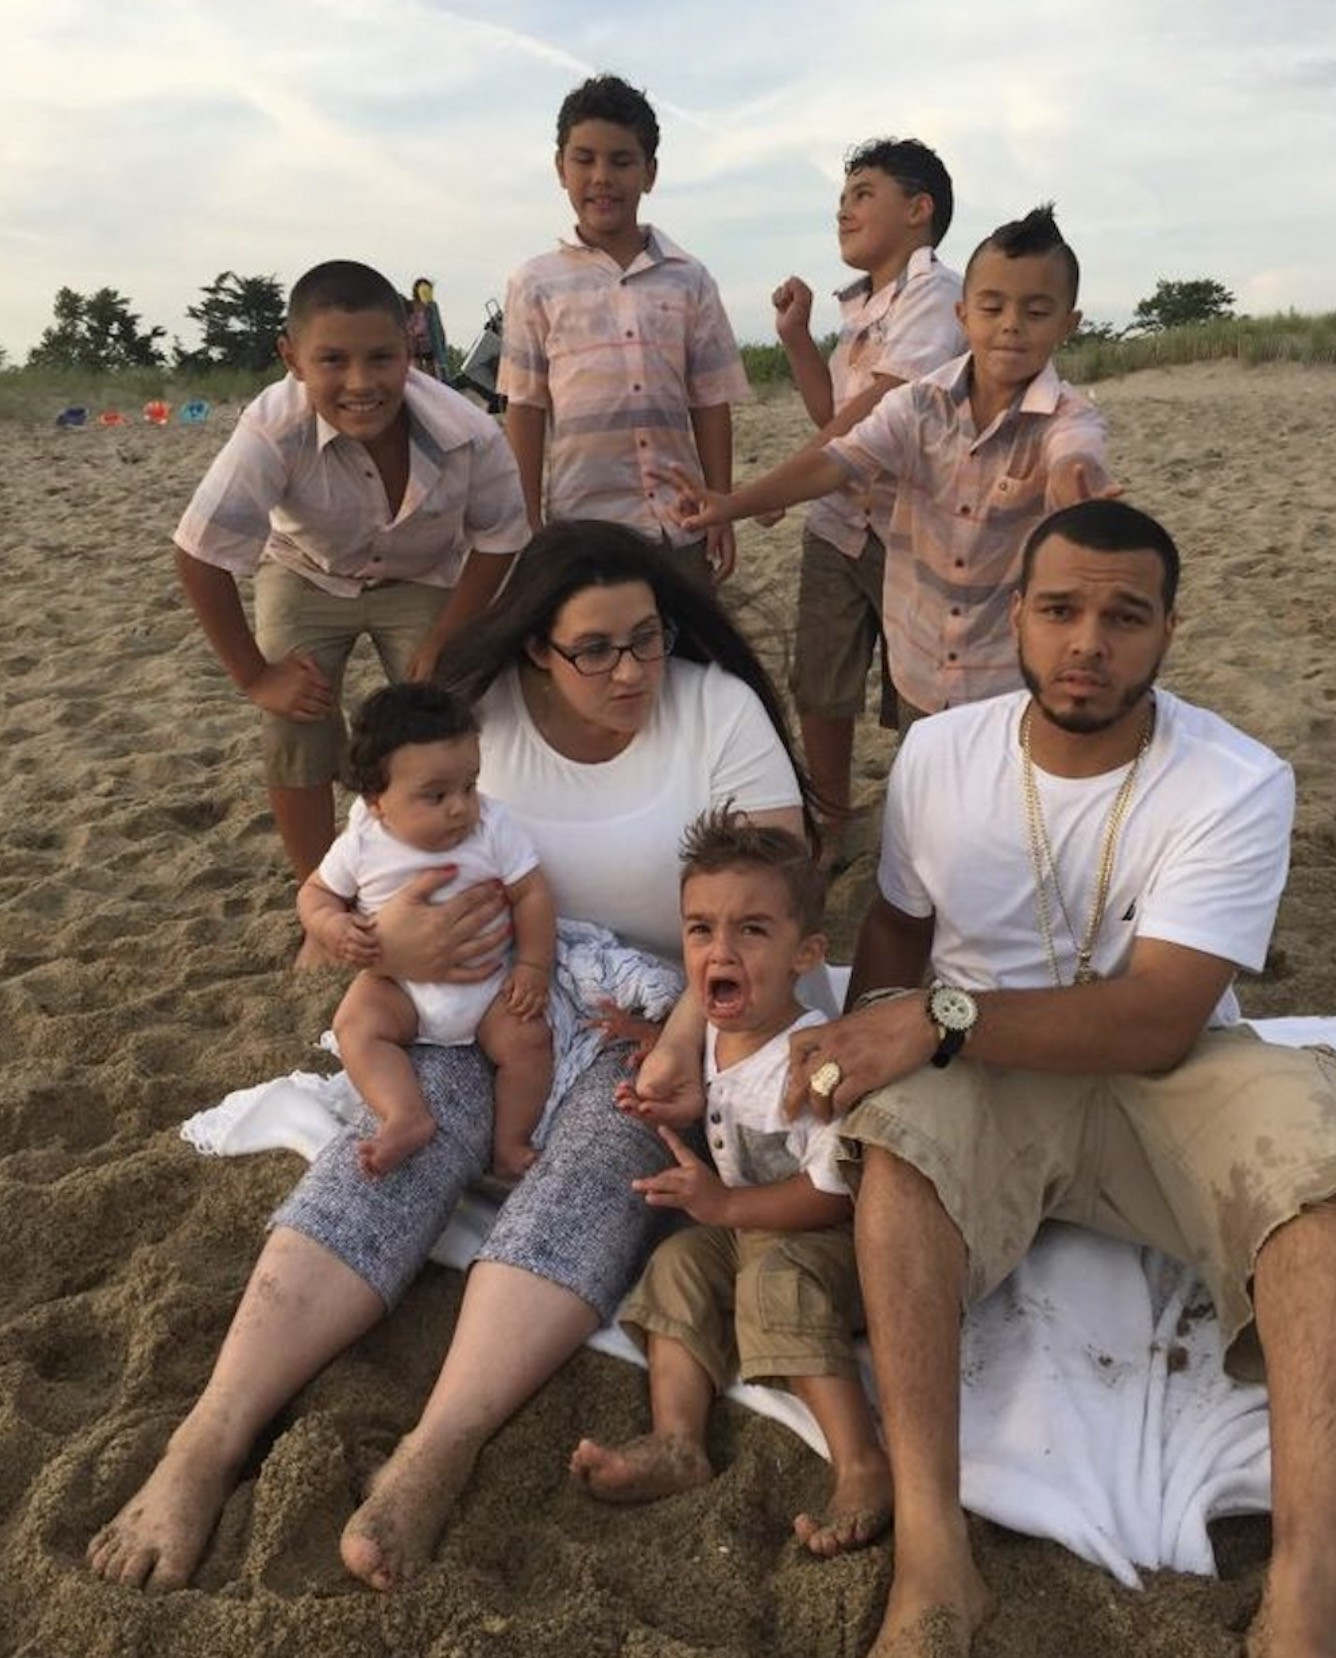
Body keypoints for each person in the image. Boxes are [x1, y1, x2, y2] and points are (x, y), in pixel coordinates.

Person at [86, 520, 815, 1596]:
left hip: (655, 1007)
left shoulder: (715, 711)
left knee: (598, 1164)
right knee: (394, 1145)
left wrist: (682, 1038)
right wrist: (388, 945)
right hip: (477, 995)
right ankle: (209, 1435)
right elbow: (354, 884)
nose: (632, 670)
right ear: (535, 649)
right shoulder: (469, 727)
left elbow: (780, 897)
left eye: (648, 637)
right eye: (596, 648)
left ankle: (439, 1444)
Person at [781, 499, 1336, 1658]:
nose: (1087, 642)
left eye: (1124, 616)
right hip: (982, 1074)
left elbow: (1160, 1016)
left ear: (1168, 629)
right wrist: (862, 1038)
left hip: (1162, 1066)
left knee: (1322, 1155)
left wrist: (934, 1016)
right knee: (895, 1146)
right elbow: (897, 925)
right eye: (1061, 609)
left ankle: (1310, 1579)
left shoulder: (1236, 778)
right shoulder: (940, 751)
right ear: (1015, 614)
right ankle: (934, 1553)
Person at [571, 809, 889, 1555]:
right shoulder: (721, 1030)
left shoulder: (811, 1063)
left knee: (774, 1282)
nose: (721, 950)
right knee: (677, 1264)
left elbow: (835, 1193)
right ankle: (678, 1440)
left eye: (752, 930)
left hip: (834, 1245)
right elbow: (725, 1090)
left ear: (806, 953)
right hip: (750, 1227)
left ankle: (861, 1462)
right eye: (700, 929)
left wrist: (723, 1203)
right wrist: (660, 1058)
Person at [671, 203, 1113, 722]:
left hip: (1006, 679)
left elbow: (1075, 453)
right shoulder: (919, 404)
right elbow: (836, 461)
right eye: (992, 308)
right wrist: (734, 504)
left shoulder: (1069, 417)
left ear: (1068, 324)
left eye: (1036, 313)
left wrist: (1073, 481)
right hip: (919, 663)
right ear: (963, 315)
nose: (1011, 326)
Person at [172, 258, 528, 885]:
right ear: (292, 357)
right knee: (296, 714)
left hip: (422, 573)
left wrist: (446, 633)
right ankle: (320, 891)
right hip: (306, 569)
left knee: (449, 705)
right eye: (332, 360)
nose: (360, 383)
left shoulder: (469, 432)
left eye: (381, 358)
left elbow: (500, 539)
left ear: (410, 350)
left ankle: (459, 866)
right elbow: (199, 554)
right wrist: (256, 677)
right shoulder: (272, 429)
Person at [772, 137, 964, 849]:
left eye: (862, 195)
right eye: (842, 199)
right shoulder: (862, 306)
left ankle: (929, 831)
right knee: (821, 678)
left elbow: (876, 410)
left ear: (918, 210)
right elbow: (832, 412)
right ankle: (832, 819)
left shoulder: (935, 295)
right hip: (838, 522)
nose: (844, 211)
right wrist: (796, 336)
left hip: (906, 526)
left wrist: (776, 486)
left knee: (921, 686)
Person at [499, 73, 751, 585]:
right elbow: (525, 409)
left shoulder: (690, 279)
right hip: (582, 531)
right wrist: (528, 523)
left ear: (649, 173)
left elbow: (709, 402)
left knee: (687, 635)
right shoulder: (534, 283)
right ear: (560, 167)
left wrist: (719, 504)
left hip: (679, 526)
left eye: (621, 161)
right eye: (584, 159)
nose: (601, 177)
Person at [299, 681, 556, 1179]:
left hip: (489, 985)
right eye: (435, 795)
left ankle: (510, 1141)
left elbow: (533, 894)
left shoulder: (493, 827)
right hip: (397, 985)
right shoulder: (362, 842)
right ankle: (405, 1114)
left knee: (529, 1042)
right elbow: (315, 893)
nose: (460, 807)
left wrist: (532, 965)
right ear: (377, 800)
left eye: (469, 786)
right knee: (355, 1027)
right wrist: (333, 925)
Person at [406, 277, 449, 379]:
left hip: (429, 343)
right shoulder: (410, 306)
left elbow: (438, 326)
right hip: (415, 343)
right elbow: (407, 324)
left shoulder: (432, 306)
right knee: (418, 372)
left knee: (433, 372)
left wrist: (442, 343)